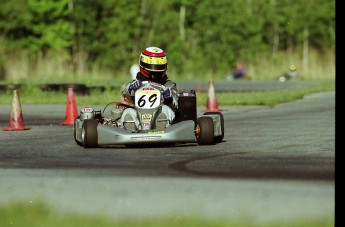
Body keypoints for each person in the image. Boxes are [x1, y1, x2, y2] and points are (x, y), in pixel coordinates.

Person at [117, 47, 179, 131]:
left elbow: (176, 104)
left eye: (159, 67)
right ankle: (130, 129)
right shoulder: (135, 84)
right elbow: (124, 95)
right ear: (143, 65)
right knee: (128, 112)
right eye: (153, 67)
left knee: (165, 110)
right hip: (138, 118)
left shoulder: (168, 85)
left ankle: (160, 127)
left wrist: (169, 99)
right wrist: (131, 89)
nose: (156, 70)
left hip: (159, 117)